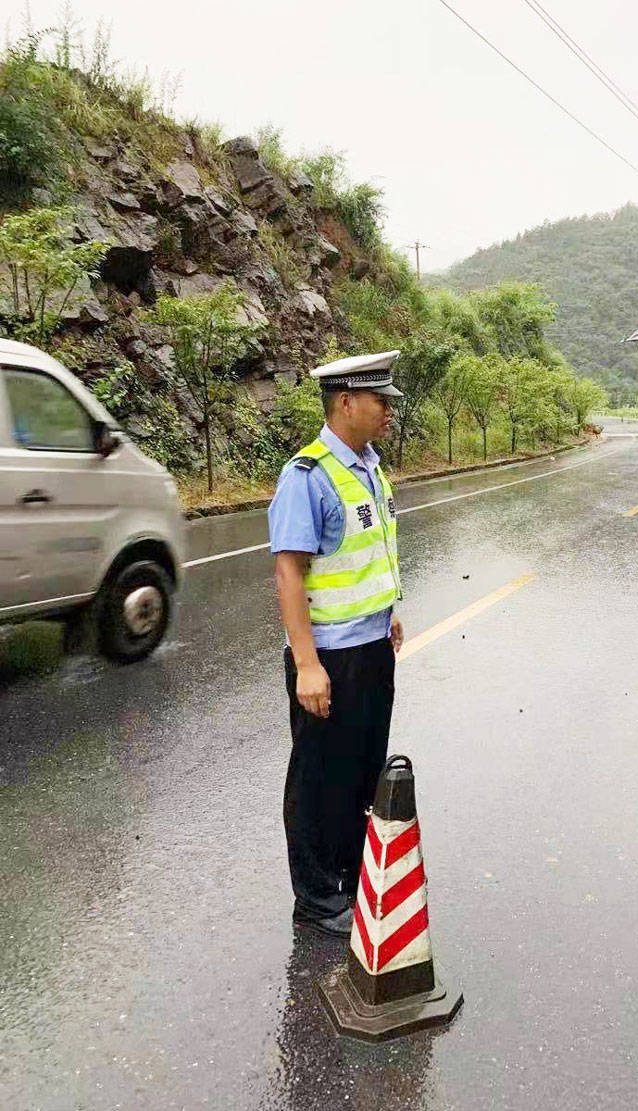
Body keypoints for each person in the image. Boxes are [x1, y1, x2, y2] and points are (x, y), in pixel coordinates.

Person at [267, 351, 405, 938]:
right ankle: (317, 897)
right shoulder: (309, 474)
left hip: (373, 647)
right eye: (381, 402)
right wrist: (307, 665)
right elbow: (289, 573)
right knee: (320, 777)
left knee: (361, 769)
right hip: (329, 659)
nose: (388, 413)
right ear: (345, 402)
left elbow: (369, 553)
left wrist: (387, 612)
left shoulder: (370, 468)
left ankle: (350, 878)